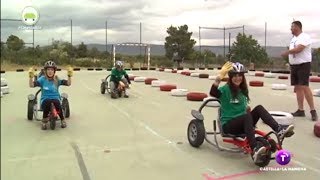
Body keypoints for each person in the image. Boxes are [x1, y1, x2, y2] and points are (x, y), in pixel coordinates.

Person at [210, 61, 294, 163]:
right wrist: (219, 78)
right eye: (235, 76)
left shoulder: (243, 91)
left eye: (240, 75)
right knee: (246, 116)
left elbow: (244, 107)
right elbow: (213, 92)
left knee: (258, 108)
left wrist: (248, 112)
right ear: (230, 77)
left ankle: (279, 130)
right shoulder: (225, 89)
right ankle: (254, 148)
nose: (238, 78)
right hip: (229, 125)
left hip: (243, 122)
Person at [281, 21, 318, 121]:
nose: (291, 29)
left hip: (303, 65)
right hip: (294, 66)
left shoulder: (304, 36)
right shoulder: (293, 39)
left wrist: (287, 52)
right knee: (297, 88)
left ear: (297, 27)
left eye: (292, 27)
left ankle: (313, 110)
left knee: (304, 86)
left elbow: (299, 49)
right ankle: (300, 110)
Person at [28, 61, 73, 130]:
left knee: (56, 102)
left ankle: (62, 119)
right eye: (48, 69)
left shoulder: (57, 79)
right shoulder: (42, 79)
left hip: (56, 100)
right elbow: (31, 85)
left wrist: (69, 76)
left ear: (54, 71)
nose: (50, 71)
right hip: (45, 101)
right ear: (45, 71)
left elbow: (68, 83)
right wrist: (31, 77)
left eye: (52, 70)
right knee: (48, 101)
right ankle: (44, 121)